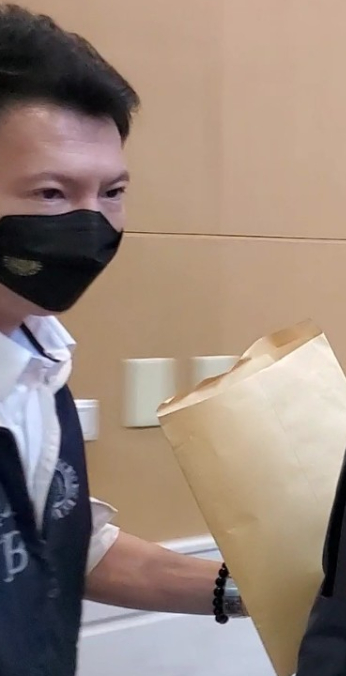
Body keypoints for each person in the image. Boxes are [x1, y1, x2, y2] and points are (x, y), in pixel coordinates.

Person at [0, 6, 244, 675]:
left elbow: (64, 544)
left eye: (111, 192)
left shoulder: (40, 365)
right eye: (53, 193)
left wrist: (255, 591)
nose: (91, 224)